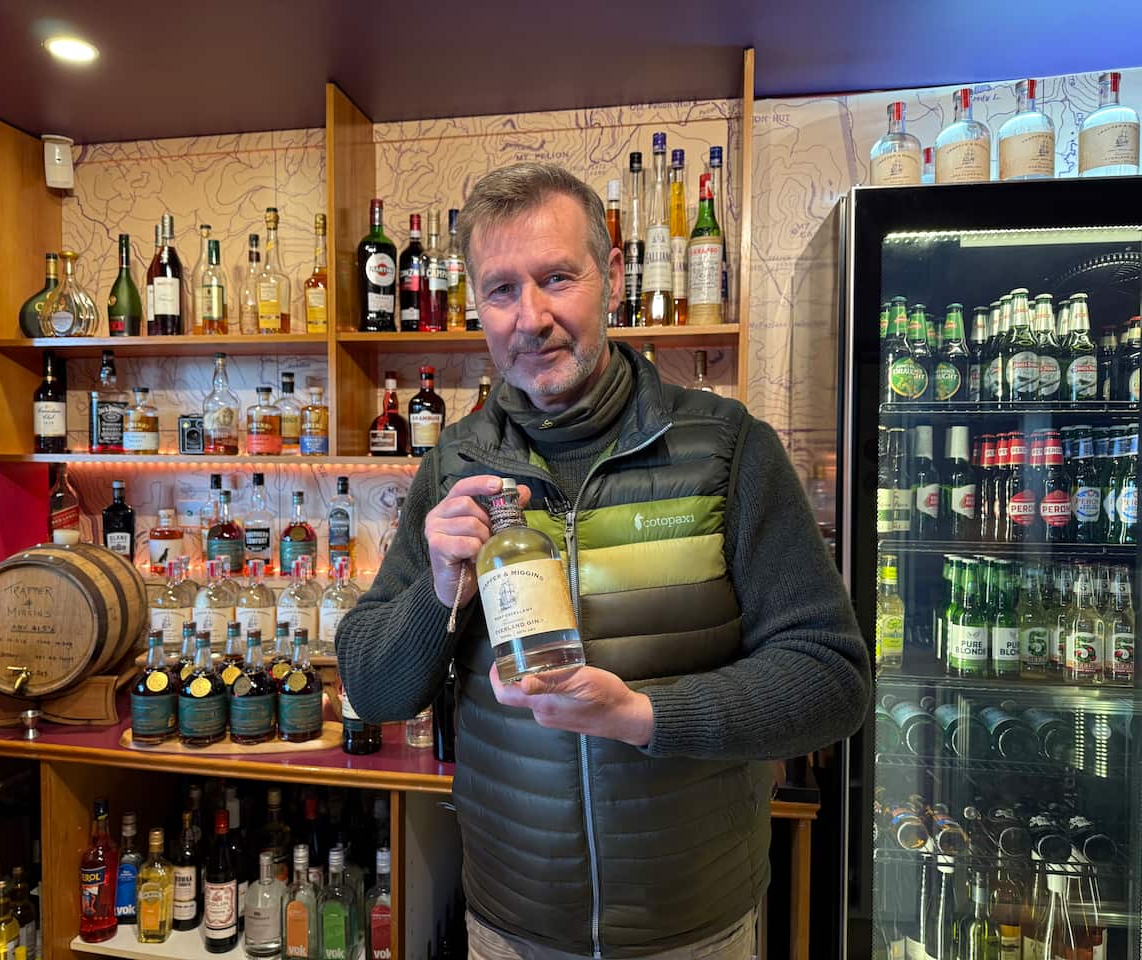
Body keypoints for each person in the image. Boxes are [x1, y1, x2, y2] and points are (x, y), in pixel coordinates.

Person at [337, 162, 870, 960]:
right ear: (476, 305)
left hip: (697, 931)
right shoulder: (452, 469)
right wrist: (439, 592)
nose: (532, 317)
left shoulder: (728, 450)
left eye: (558, 278)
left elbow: (832, 680)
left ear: (613, 277)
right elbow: (375, 690)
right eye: (502, 290)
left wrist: (643, 717)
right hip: (511, 930)